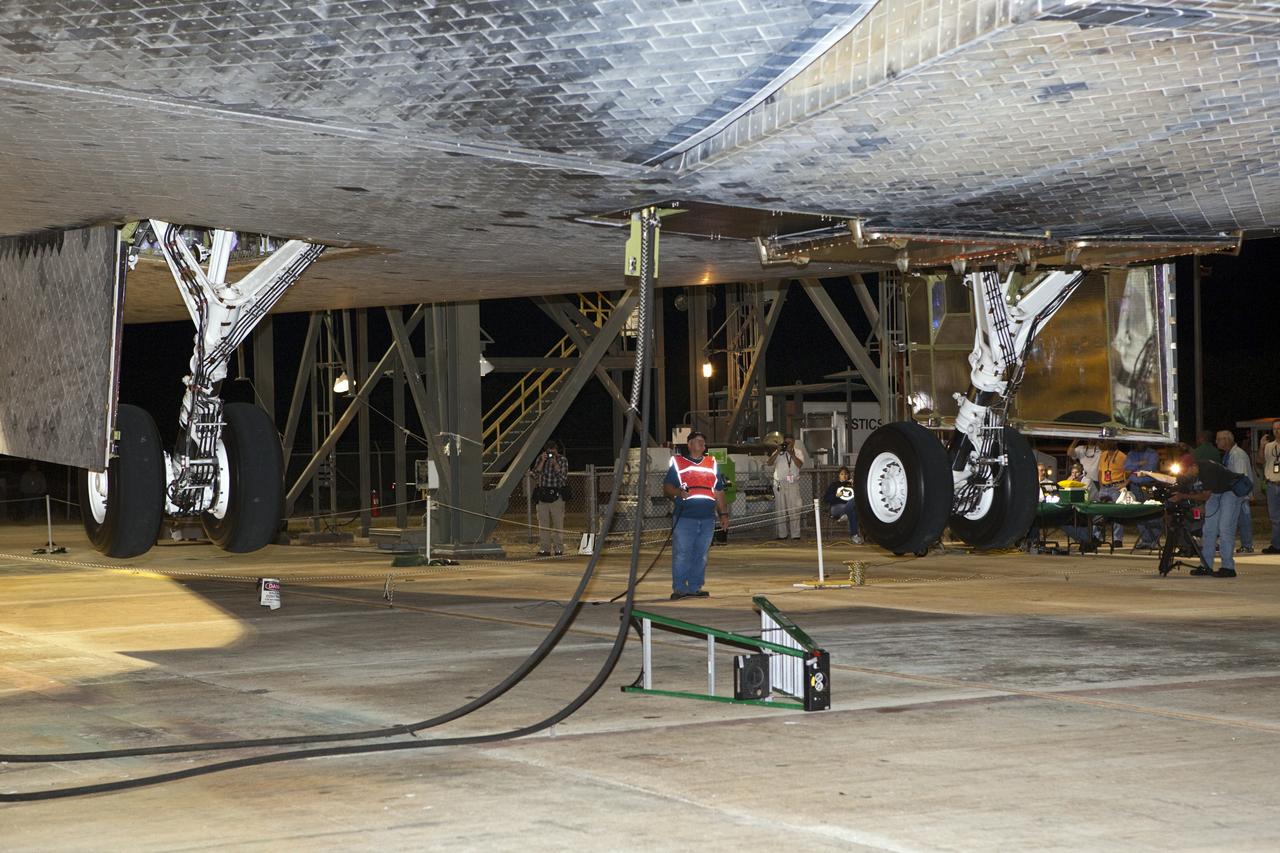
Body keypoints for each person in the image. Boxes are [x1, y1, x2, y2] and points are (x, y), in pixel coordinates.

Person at [1141, 451, 1250, 577]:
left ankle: (1228, 567)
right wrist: (1148, 473)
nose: (1184, 475)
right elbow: (1170, 480)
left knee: (1225, 528)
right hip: (1216, 492)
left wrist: (1182, 496)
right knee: (1209, 530)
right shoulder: (1190, 474)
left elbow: (1205, 495)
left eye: (1185, 471)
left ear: (1193, 467)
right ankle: (1205, 565)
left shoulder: (1207, 469)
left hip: (1231, 492)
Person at [662, 431, 728, 600]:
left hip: (707, 518)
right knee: (682, 553)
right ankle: (679, 588)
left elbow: (718, 490)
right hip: (685, 518)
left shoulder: (711, 463)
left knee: (701, 554)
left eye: (704, 443)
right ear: (689, 444)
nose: (702, 445)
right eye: (699, 441)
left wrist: (723, 514)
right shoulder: (678, 463)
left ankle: (694, 587)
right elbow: (667, 487)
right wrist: (678, 492)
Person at [1218, 430, 1254, 553]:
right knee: (1238, 520)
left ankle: (1247, 545)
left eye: (1219, 439)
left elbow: (1240, 476)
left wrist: (1240, 494)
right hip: (1235, 494)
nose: (1216, 442)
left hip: (1240, 494)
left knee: (1243, 520)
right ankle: (1246, 544)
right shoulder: (1229, 454)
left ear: (1226, 440)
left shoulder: (1238, 455)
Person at [530, 439, 568, 556]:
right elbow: (534, 475)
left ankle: (558, 549)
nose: (551, 455)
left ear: (557, 451)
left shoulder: (562, 460)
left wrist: (555, 464)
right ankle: (545, 548)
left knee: (558, 524)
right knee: (543, 524)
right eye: (549, 452)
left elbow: (563, 478)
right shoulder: (541, 459)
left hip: (557, 496)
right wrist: (542, 461)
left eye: (553, 452)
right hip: (542, 496)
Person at [768, 433, 805, 540]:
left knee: (794, 509)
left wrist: (791, 454)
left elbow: (799, 465)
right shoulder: (779, 452)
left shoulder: (798, 452)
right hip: (779, 484)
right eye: (786, 442)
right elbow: (769, 463)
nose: (787, 444)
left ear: (793, 442)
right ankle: (782, 534)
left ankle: (795, 534)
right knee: (780, 510)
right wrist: (778, 452)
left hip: (792, 484)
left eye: (790, 442)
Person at [1125, 442, 1162, 549]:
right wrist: (1140, 463)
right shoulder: (1131, 453)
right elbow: (1126, 467)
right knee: (1139, 513)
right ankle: (1145, 540)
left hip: (1148, 485)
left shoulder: (1152, 453)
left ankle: (1154, 540)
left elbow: (1150, 467)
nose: (1140, 443)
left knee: (1151, 511)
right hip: (1135, 486)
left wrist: (1135, 466)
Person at [1094, 441, 1128, 547]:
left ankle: (1117, 539)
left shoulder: (1122, 456)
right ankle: (1096, 537)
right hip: (1104, 488)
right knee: (1099, 512)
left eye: (1111, 442)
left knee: (1118, 513)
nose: (1109, 444)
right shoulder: (1103, 455)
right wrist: (1101, 484)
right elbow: (1100, 471)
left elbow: (1130, 472)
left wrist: (1124, 484)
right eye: (1107, 442)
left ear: (1116, 443)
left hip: (1116, 487)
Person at [822, 466, 862, 544]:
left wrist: (854, 486)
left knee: (853, 505)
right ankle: (854, 536)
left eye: (846, 474)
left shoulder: (851, 484)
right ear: (839, 475)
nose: (844, 476)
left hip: (849, 506)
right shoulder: (834, 485)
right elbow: (826, 498)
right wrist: (836, 495)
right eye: (842, 474)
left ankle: (854, 534)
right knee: (852, 511)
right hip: (836, 507)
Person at [1260, 423, 1280, 554]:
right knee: (1274, 518)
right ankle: (1277, 544)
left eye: (1279, 428)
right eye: (1275, 429)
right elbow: (1260, 461)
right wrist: (1262, 447)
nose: (1277, 431)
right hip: (1272, 485)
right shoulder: (1269, 446)